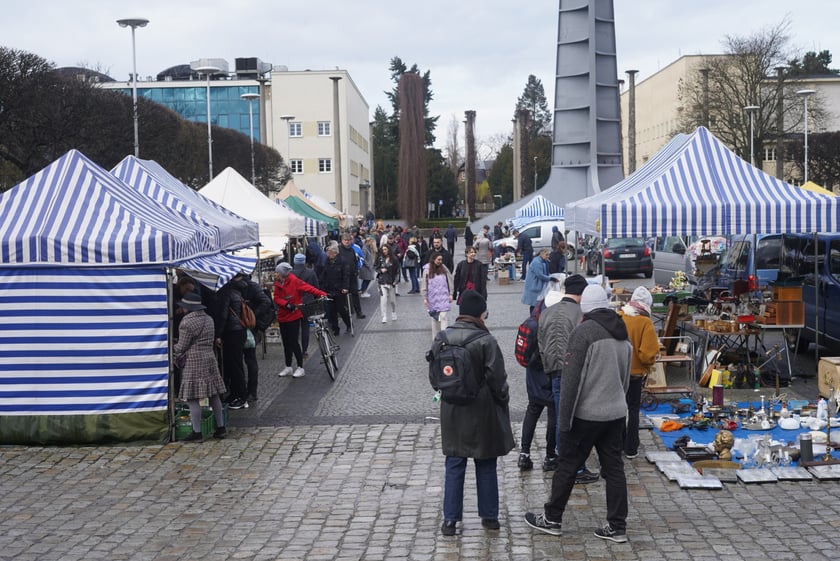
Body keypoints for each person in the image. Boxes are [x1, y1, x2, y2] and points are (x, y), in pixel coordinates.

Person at [525, 284, 632, 543]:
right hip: (615, 412)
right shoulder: (621, 331)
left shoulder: (583, 333)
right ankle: (616, 526)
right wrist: (619, 402)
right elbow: (625, 376)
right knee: (614, 469)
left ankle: (552, 518)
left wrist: (564, 420)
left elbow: (571, 380)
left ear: (585, 305)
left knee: (567, 466)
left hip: (587, 413)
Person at [433, 290, 515, 536]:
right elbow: (498, 379)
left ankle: (450, 520)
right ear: (481, 313)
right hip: (483, 410)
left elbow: (434, 378)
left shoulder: (442, 338)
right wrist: (503, 400)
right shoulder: (486, 340)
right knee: (486, 462)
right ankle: (489, 517)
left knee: (454, 464)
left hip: (452, 410)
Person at [538, 274, 599, 484]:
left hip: (553, 371)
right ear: (582, 293)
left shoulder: (546, 313)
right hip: (574, 371)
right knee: (574, 420)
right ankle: (577, 468)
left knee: (561, 417)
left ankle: (562, 462)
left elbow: (541, 343)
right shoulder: (580, 314)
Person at [518, 274, 564, 472]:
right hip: (549, 373)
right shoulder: (552, 324)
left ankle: (524, 453)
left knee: (533, 411)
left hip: (533, 374)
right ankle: (550, 456)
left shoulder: (533, 319)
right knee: (553, 416)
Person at [173, 293, 227, 441]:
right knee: (214, 394)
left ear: (188, 308)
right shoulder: (209, 319)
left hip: (195, 360)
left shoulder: (186, 323)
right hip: (210, 357)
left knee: (192, 397)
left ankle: (197, 432)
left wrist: (171, 348)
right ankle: (221, 428)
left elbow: (181, 347)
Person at [619, 286, 659, 459]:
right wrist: (648, 364)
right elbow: (647, 353)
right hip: (634, 373)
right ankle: (631, 447)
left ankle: (617, 443)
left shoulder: (619, 316)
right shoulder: (645, 322)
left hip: (617, 371)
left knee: (618, 408)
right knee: (633, 409)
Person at [274, 262, 327, 379]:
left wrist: (322, 294)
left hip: (293, 315)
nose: (275, 274)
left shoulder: (294, 281)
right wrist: (286, 304)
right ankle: (288, 366)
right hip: (282, 316)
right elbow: (276, 297)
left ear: (282, 273)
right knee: (286, 343)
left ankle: (300, 367)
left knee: (293, 342)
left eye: (277, 272)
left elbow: (309, 288)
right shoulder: (277, 282)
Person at [214, 276, 250, 410]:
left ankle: (241, 396)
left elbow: (223, 315)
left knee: (234, 365)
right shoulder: (238, 292)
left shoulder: (227, 293)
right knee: (235, 364)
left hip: (232, 332)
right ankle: (236, 394)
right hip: (239, 331)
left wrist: (218, 334)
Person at [241, 272, 274, 403]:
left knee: (249, 360)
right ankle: (248, 391)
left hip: (250, 327)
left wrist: (252, 315)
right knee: (249, 360)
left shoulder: (252, 287)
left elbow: (266, 302)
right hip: (248, 327)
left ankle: (251, 392)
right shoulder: (252, 286)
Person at [292, 252, 321, 360]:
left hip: (294, 303)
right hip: (307, 304)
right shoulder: (311, 273)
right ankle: (304, 350)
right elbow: (316, 287)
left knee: (294, 328)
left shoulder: (290, 274)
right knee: (305, 327)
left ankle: (295, 349)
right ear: (304, 262)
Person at [320, 243, 352, 336]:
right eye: (328, 253)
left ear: (335, 253)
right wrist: (322, 287)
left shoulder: (343, 261)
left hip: (339, 289)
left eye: (330, 253)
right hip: (329, 289)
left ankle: (348, 324)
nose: (328, 255)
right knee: (331, 310)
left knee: (341, 309)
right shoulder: (326, 261)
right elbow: (324, 274)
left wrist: (345, 287)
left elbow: (346, 275)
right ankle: (335, 328)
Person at [421, 251, 454, 340]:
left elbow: (450, 280)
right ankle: (435, 339)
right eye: (439, 259)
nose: (440, 261)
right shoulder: (427, 270)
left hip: (444, 296)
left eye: (441, 259)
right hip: (433, 298)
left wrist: (451, 293)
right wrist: (425, 298)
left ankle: (445, 337)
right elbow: (424, 284)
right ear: (433, 259)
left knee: (443, 316)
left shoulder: (444, 268)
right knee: (435, 319)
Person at [339, 234, 366, 320]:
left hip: (352, 275)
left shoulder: (352, 250)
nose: (347, 242)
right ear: (342, 240)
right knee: (342, 296)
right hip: (342, 277)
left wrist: (356, 269)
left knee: (355, 294)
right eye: (345, 240)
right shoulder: (339, 250)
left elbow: (356, 261)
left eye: (348, 240)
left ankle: (359, 312)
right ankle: (344, 313)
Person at [375, 243, 400, 323]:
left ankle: (393, 312)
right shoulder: (380, 258)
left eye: (385, 249)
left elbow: (397, 271)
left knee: (392, 300)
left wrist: (396, 280)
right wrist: (380, 270)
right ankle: (384, 316)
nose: (384, 251)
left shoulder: (394, 259)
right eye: (383, 250)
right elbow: (375, 267)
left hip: (391, 281)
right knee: (383, 299)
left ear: (389, 249)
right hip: (382, 281)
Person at [521, 248, 552, 313]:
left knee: (537, 303)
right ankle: (533, 317)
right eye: (546, 255)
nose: (548, 256)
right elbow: (540, 275)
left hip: (537, 285)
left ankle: (535, 316)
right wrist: (550, 278)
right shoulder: (537, 262)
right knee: (535, 303)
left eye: (548, 255)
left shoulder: (543, 261)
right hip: (534, 285)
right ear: (541, 254)